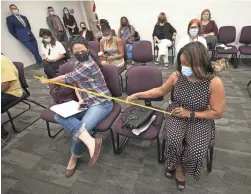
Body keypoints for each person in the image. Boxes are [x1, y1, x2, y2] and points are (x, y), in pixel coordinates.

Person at [126, 42, 225, 191]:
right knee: (173, 140)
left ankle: (183, 166)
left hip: (200, 115)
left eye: (187, 64)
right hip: (177, 112)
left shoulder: (214, 82)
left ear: (200, 62)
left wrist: (191, 113)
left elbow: (217, 112)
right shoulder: (177, 75)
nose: (183, 67)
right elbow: (160, 91)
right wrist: (138, 94)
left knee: (196, 150)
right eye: (182, 63)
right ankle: (177, 166)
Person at [40, 37, 113, 177]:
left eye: (82, 51)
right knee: (58, 116)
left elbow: (65, 78)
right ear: (72, 52)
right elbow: (77, 83)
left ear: (87, 48)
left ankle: (74, 156)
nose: (80, 54)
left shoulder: (88, 65)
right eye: (76, 52)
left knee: (79, 133)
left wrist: (49, 80)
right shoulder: (78, 64)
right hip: (86, 102)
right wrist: (80, 99)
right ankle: (91, 140)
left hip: (101, 102)